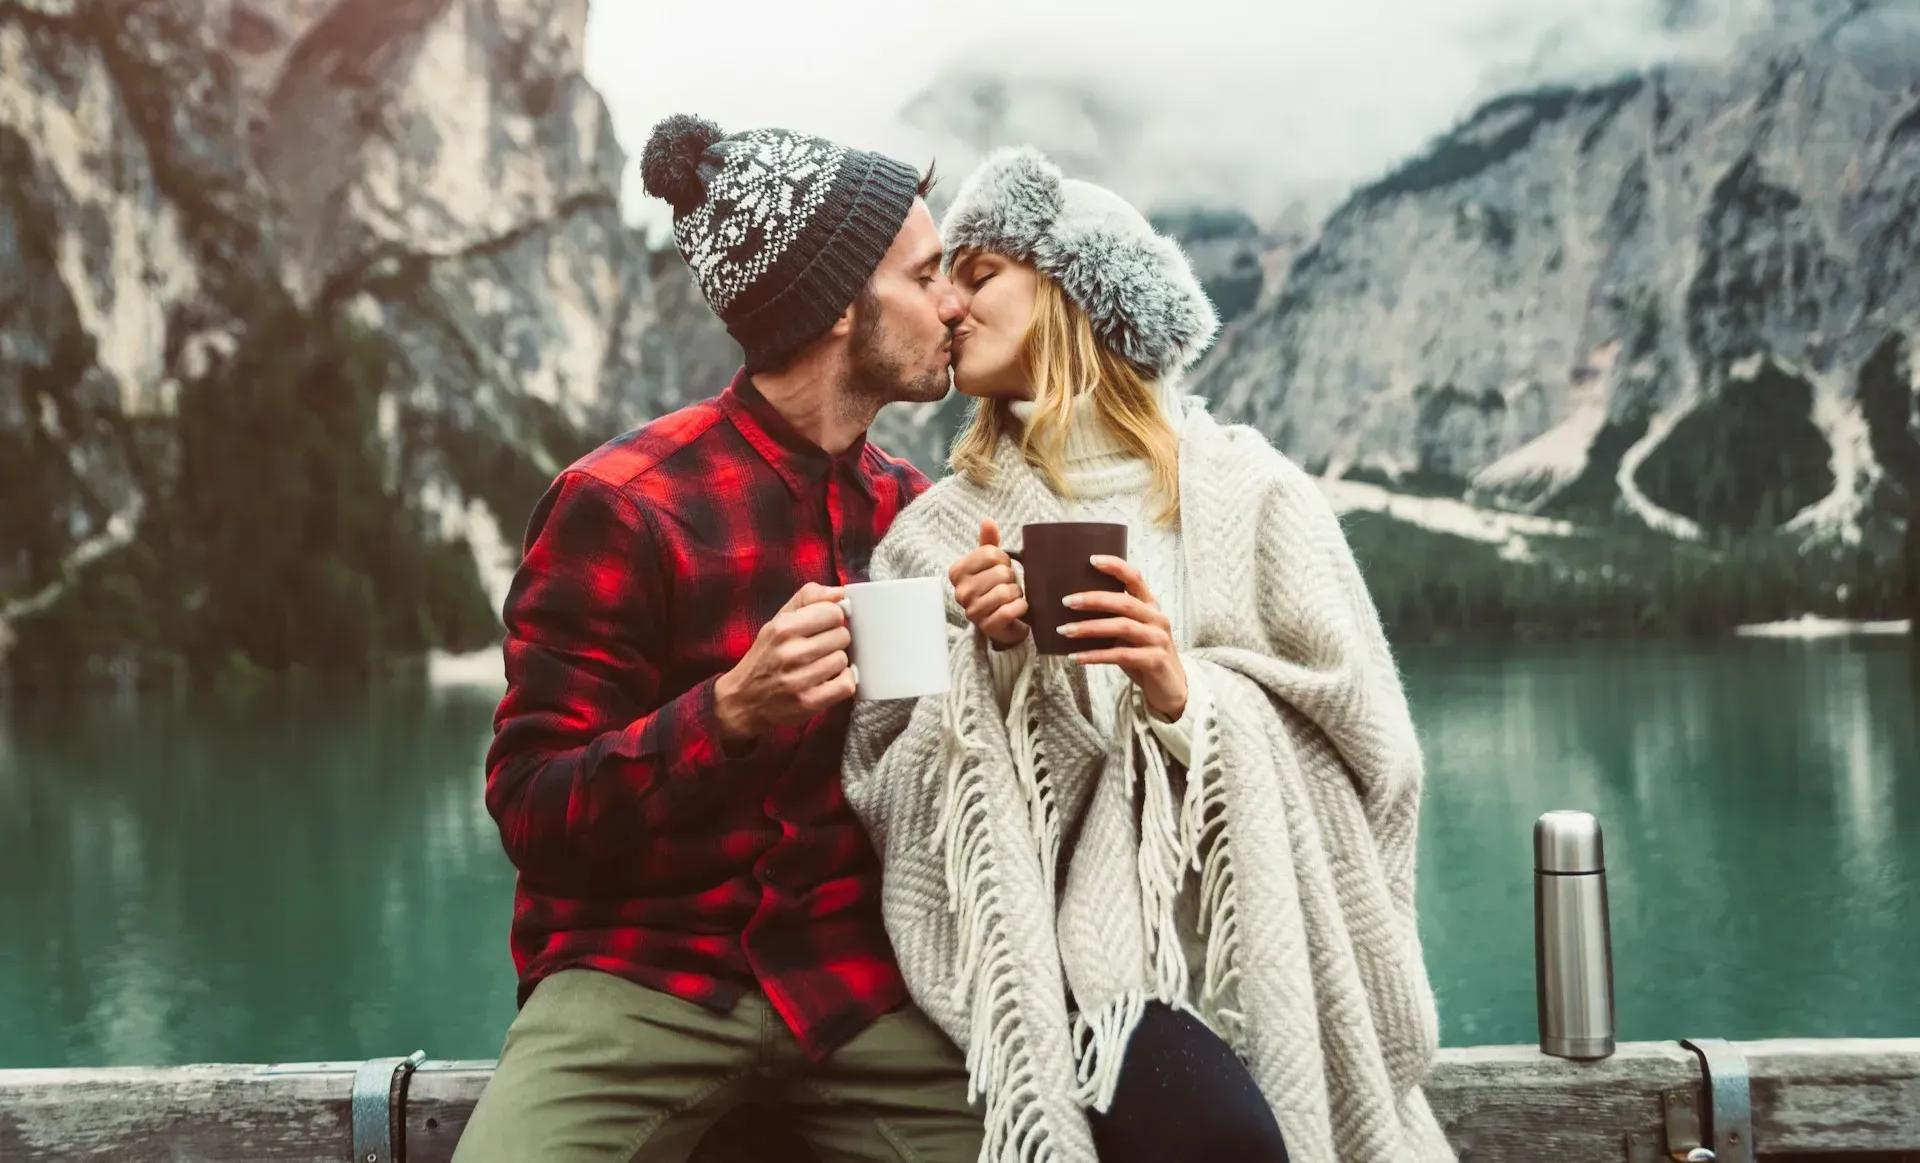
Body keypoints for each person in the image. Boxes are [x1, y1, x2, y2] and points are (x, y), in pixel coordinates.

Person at [843, 147, 1457, 1163]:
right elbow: (877, 783)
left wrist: (1187, 698)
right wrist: (990, 669)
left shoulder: (1259, 494)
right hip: (1081, 977)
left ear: (1079, 289)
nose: (947, 303)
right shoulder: (930, 534)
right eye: (942, 276)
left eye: (980, 273)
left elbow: (1380, 756)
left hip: (1275, 956)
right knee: (1218, 1135)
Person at [452, 114, 984, 1163]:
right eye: (928, 277)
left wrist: (1002, 653)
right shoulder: (621, 505)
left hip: (856, 989)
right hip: (641, 981)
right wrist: (730, 711)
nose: (954, 304)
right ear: (840, 305)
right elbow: (533, 811)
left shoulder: (918, 511)